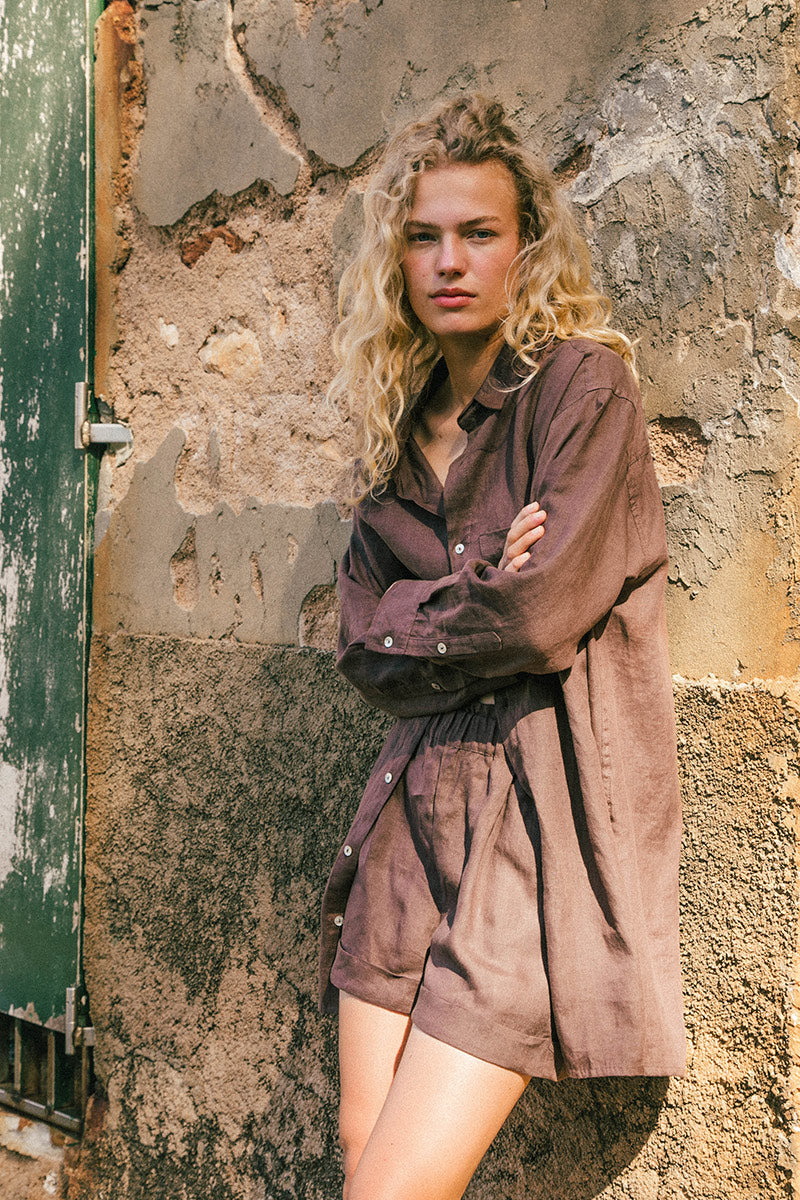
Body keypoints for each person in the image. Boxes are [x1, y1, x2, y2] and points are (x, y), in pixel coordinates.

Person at [319, 94, 685, 1200]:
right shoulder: (397, 433)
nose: (449, 261)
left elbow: (538, 617)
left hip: (536, 825)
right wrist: (478, 583)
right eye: (423, 236)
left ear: (524, 248)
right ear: (396, 260)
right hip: (410, 813)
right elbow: (358, 647)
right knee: (361, 1158)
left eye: (478, 232)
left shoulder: (580, 389)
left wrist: (431, 607)